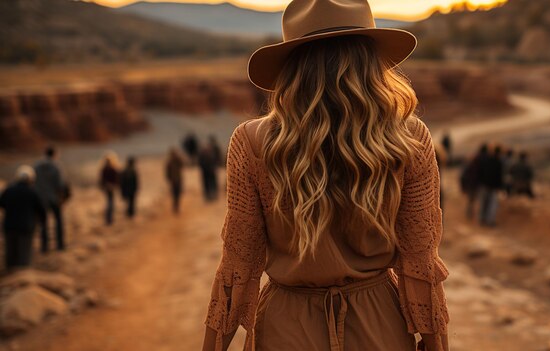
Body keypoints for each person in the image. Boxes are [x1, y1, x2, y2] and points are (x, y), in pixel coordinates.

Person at [202, 1, 450, 350]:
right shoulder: (409, 137)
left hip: (284, 331)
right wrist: (436, 344)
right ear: (370, 57)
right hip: (380, 330)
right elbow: (419, 263)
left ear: (292, 67)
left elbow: (238, 265)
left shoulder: (252, 142)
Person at [0, 166, 46, 270]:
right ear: (31, 179)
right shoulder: (32, 192)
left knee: (10, 253)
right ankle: (21, 277)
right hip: (26, 227)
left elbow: (1, 203)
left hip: (9, 226)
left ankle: (10, 275)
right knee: (24, 255)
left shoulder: (9, 190)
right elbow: (41, 210)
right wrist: (42, 223)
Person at [34, 146, 66, 252]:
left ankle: (44, 246)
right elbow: (60, 184)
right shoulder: (56, 166)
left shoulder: (37, 166)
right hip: (54, 198)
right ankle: (60, 245)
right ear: (54, 154)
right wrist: (62, 197)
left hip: (40, 198)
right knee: (58, 220)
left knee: (43, 222)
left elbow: (33, 182)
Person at [478, 145, 504, 226]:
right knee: (492, 204)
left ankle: (482, 219)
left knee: (484, 203)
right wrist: (499, 186)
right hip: (493, 187)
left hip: (485, 184)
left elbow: (481, 172)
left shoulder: (487, 160)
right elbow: (499, 176)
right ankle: (490, 221)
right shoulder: (498, 162)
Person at [461, 144, 487, 220]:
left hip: (471, 183)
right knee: (475, 200)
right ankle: (472, 214)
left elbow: (465, 174)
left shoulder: (473, 160)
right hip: (476, 184)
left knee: (471, 200)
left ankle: (470, 213)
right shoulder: (480, 160)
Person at [99, 152, 120, 225]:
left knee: (109, 203)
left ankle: (109, 218)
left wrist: (104, 186)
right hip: (109, 188)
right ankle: (109, 218)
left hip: (108, 188)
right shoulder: (111, 169)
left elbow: (102, 180)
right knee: (110, 203)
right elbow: (116, 180)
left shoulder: (105, 169)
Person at [165, 148, 184, 213]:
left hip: (177, 179)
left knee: (177, 194)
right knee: (175, 194)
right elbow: (167, 172)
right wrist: (169, 179)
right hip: (174, 180)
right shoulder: (169, 162)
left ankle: (176, 206)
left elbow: (182, 165)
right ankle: (175, 206)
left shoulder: (177, 161)